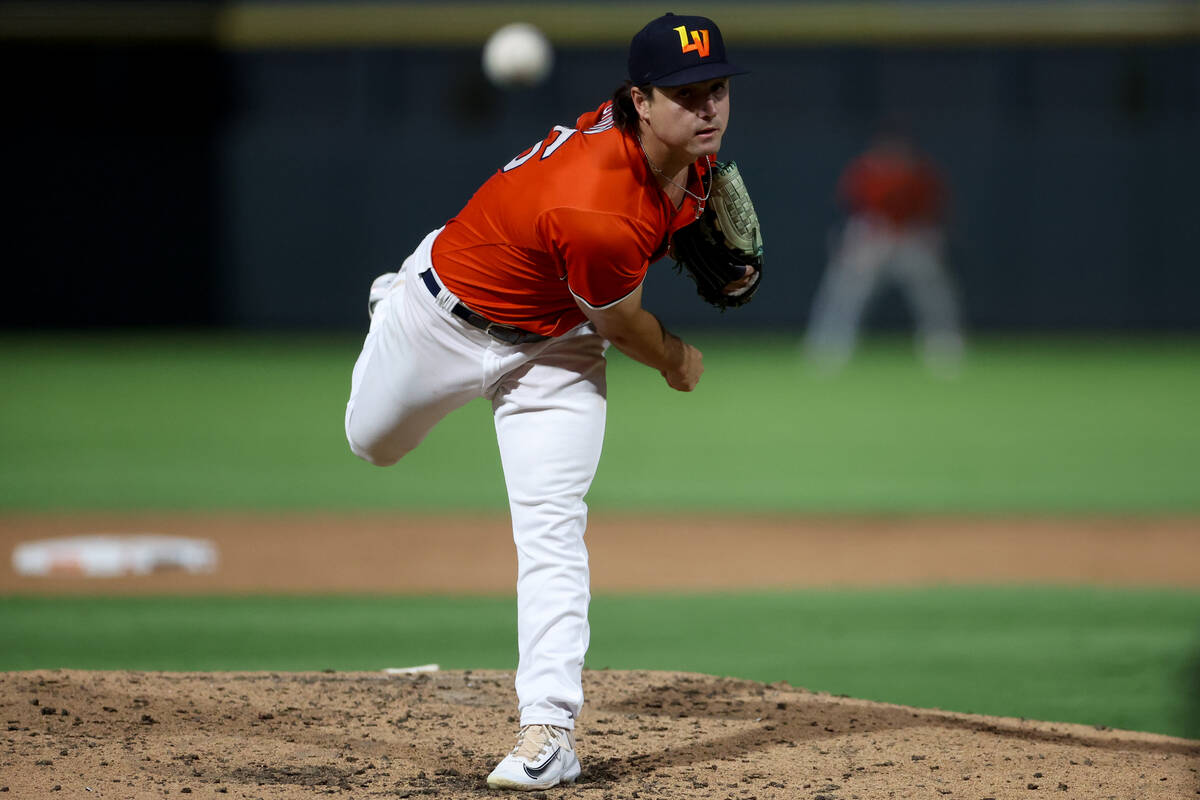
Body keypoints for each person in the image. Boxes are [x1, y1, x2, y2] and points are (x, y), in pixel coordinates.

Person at [344, 12, 753, 792]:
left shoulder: (686, 160)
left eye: (717, 89)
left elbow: (635, 264)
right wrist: (679, 360)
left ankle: (549, 730)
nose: (708, 108)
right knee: (372, 442)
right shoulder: (596, 207)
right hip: (445, 322)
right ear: (639, 100)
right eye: (685, 93)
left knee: (552, 527)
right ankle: (391, 295)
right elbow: (629, 326)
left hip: (557, 345)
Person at [803, 127, 965, 374]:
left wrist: (926, 237)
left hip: (910, 237)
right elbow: (854, 210)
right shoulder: (865, 170)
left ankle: (944, 346)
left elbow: (932, 213)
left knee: (933, 291)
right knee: (846, 291)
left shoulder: (920, 173)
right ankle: (828, 348)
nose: (893, 155)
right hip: (874, 236)